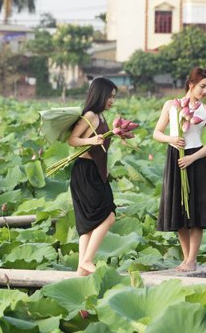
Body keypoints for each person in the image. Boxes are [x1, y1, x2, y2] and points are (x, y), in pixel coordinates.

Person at [153, 67, 206, 272]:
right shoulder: (171, 105)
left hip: (195, 159)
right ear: (191, 84)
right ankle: (187, 258)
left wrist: (192, 158)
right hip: (175, 157)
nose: (205, 91)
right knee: (178, 210)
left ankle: (191, 259)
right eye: (202, 86)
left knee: (196, 211)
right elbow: (157, 133)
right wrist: (172, 138)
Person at [68, 77, 117, 276]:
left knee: (89, 224)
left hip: (97, 171)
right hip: (85, 172)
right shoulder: (90, 115)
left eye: (114, 97)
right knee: (109, 214)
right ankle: (87, 259)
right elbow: (72, 140)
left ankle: (82, 270)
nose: (112, 101)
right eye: (110, 96)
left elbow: (102, 143)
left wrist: (115, 131)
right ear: (100, 95)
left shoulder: (101, 116)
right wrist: (91, 141)